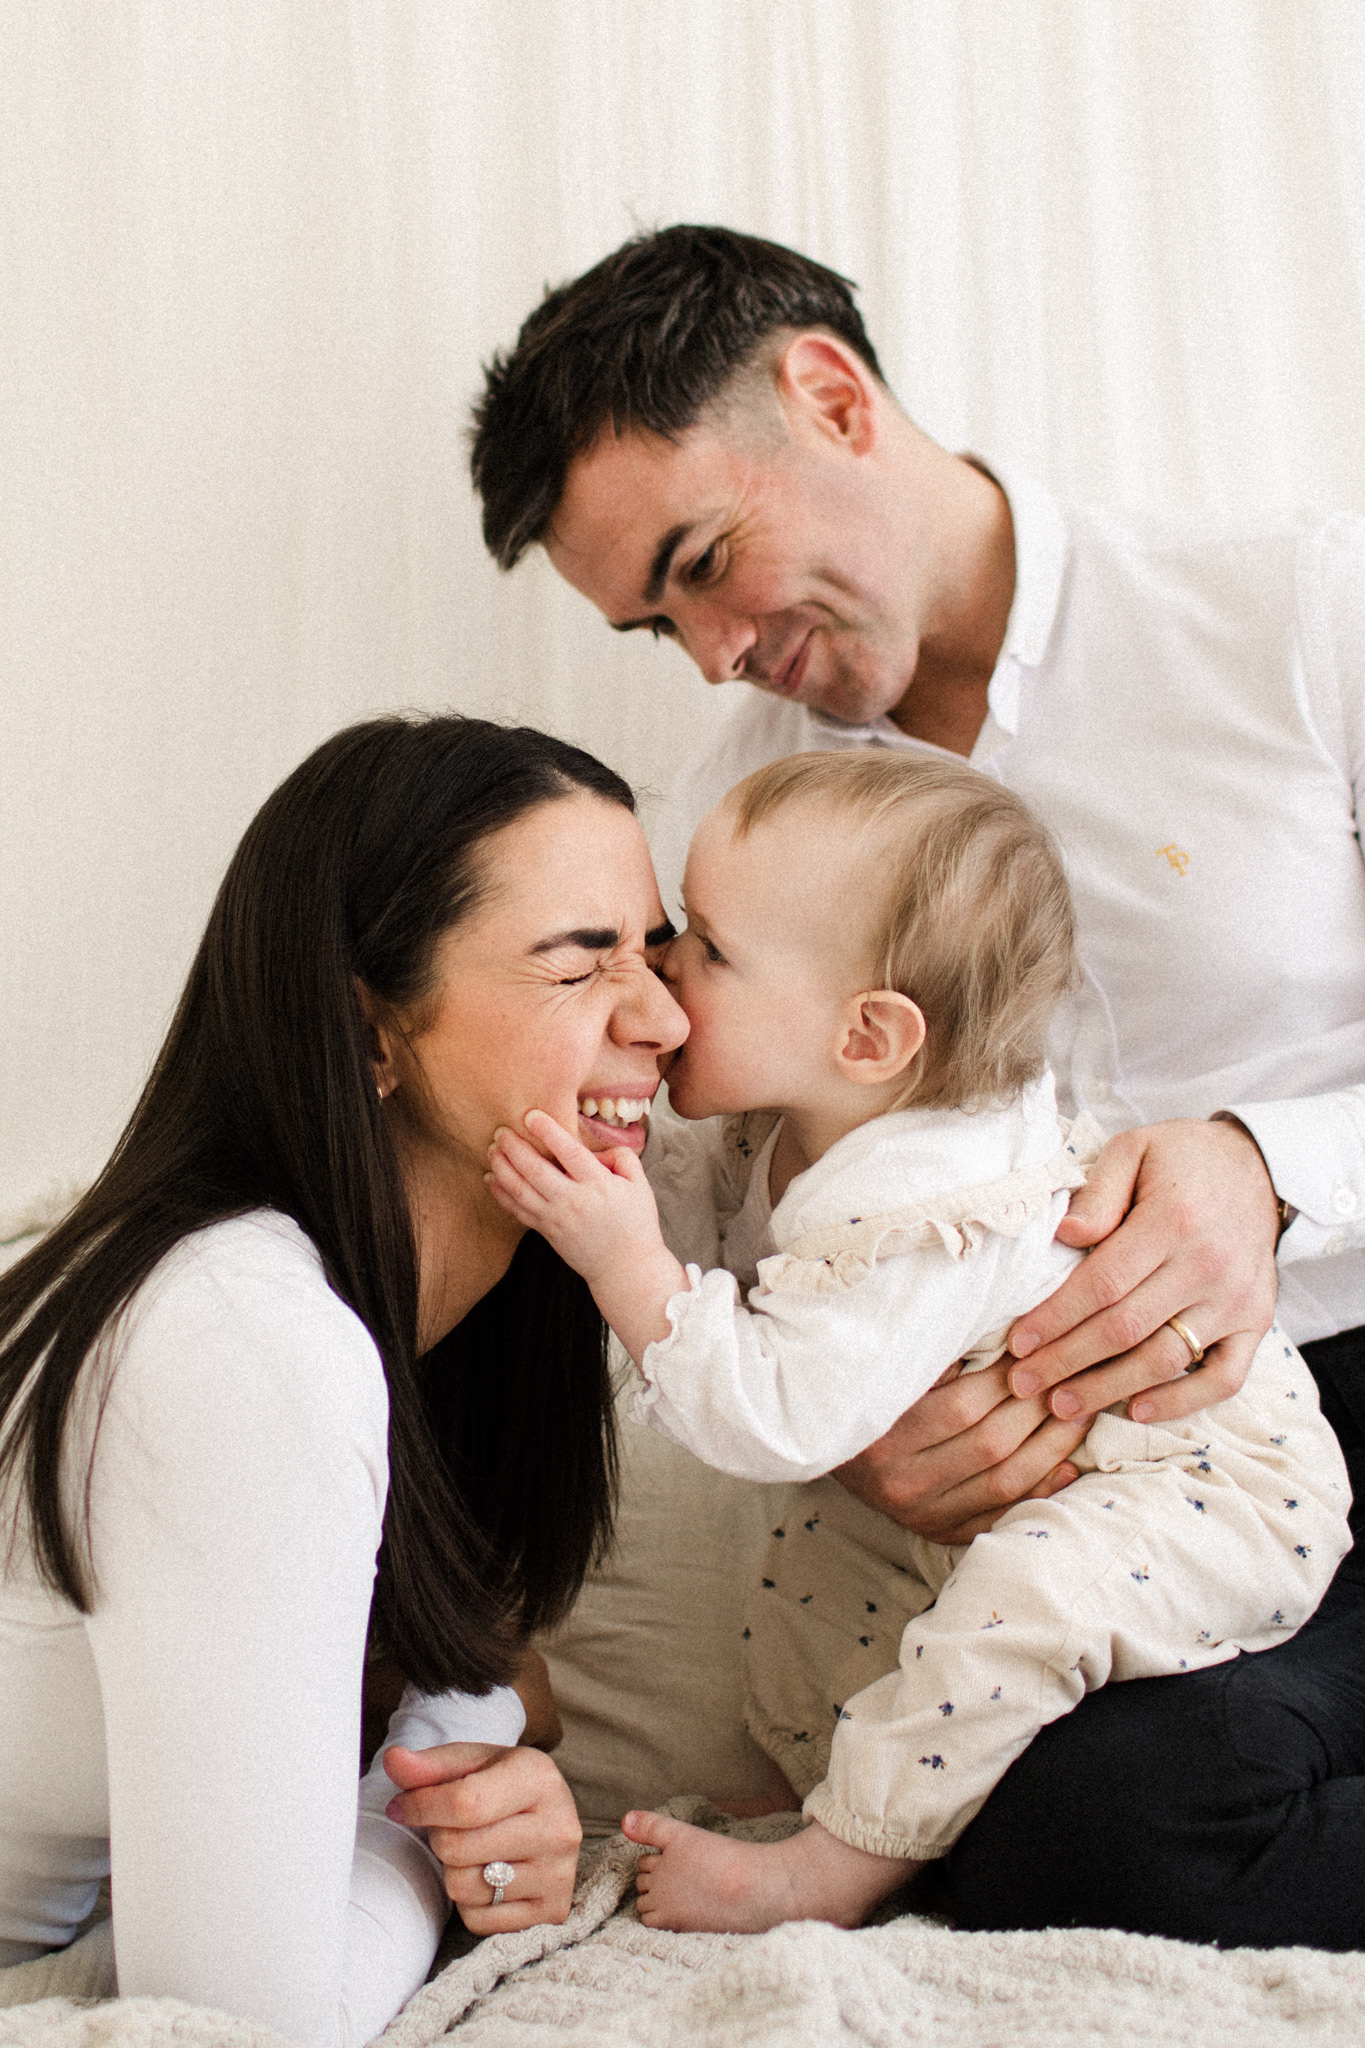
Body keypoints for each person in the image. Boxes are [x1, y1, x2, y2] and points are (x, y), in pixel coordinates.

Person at [467, 224, 1365, 1947]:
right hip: (1099, 1502)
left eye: (705, 563)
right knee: (1074, 1836)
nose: (715, 652)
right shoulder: (731, 830)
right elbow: (726, 1222)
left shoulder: (1297, 613)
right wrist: (863, 1419)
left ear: (829, 395)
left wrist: (1269, 1167)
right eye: (660, 625)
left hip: (1318, 1382)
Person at [485, 748, 1350, 1933]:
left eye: (710, 949)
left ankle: (835, 1863)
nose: (665, 971)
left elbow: (776, 1416)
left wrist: (622, 1259)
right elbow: (702, 1206)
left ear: (869, 1037)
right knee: (814, 1570)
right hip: (1040, 1477)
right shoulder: (798, 1116)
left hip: (1200, 1483)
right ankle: (842, 1780)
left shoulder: (928, 1199)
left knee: (1024, 1601)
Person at [0, 714, 689, 2045]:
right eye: (579, 962)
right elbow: (243, 2022)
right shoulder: (240, 1340)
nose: (664, 1017)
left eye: (655, 953)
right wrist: (427, 1830)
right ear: (369, 1029)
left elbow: (484, 1664)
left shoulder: (399, 1323)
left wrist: (476, 1755)